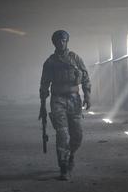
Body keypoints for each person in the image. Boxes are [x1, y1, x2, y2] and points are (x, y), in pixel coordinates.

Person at [39, 30, 91, 180]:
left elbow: (86, 77)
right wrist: (42, 104)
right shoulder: (50, 62)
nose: (61, 43)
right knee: (62, 135)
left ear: (67, 41)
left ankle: (70, 155)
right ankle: (64, 167)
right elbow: (44, 84)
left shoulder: (75, 58)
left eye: (63, 40)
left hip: (74, 99)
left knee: (77, 135)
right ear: (54, 43)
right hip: (58, 100)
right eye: (58, 41)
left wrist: (87, 95)